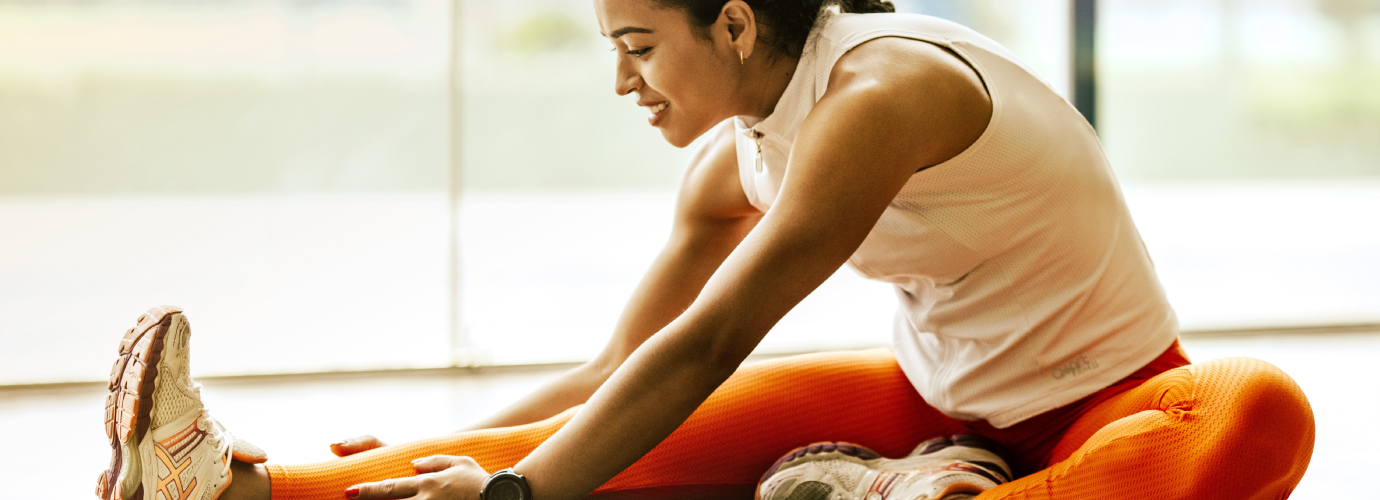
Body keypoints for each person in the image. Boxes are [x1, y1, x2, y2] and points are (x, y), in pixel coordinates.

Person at [95, 1, 1317, 500]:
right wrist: (458, 456)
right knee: (615, 435)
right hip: (929, 401)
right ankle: (227, 484)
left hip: (1115, 406)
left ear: (734, 24)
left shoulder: (880, 95)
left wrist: (520, 498)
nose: (622, 81)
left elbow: (714, 339)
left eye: (638, 44)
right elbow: (623, 365)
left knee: (1264, 409)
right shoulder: (734, 154)